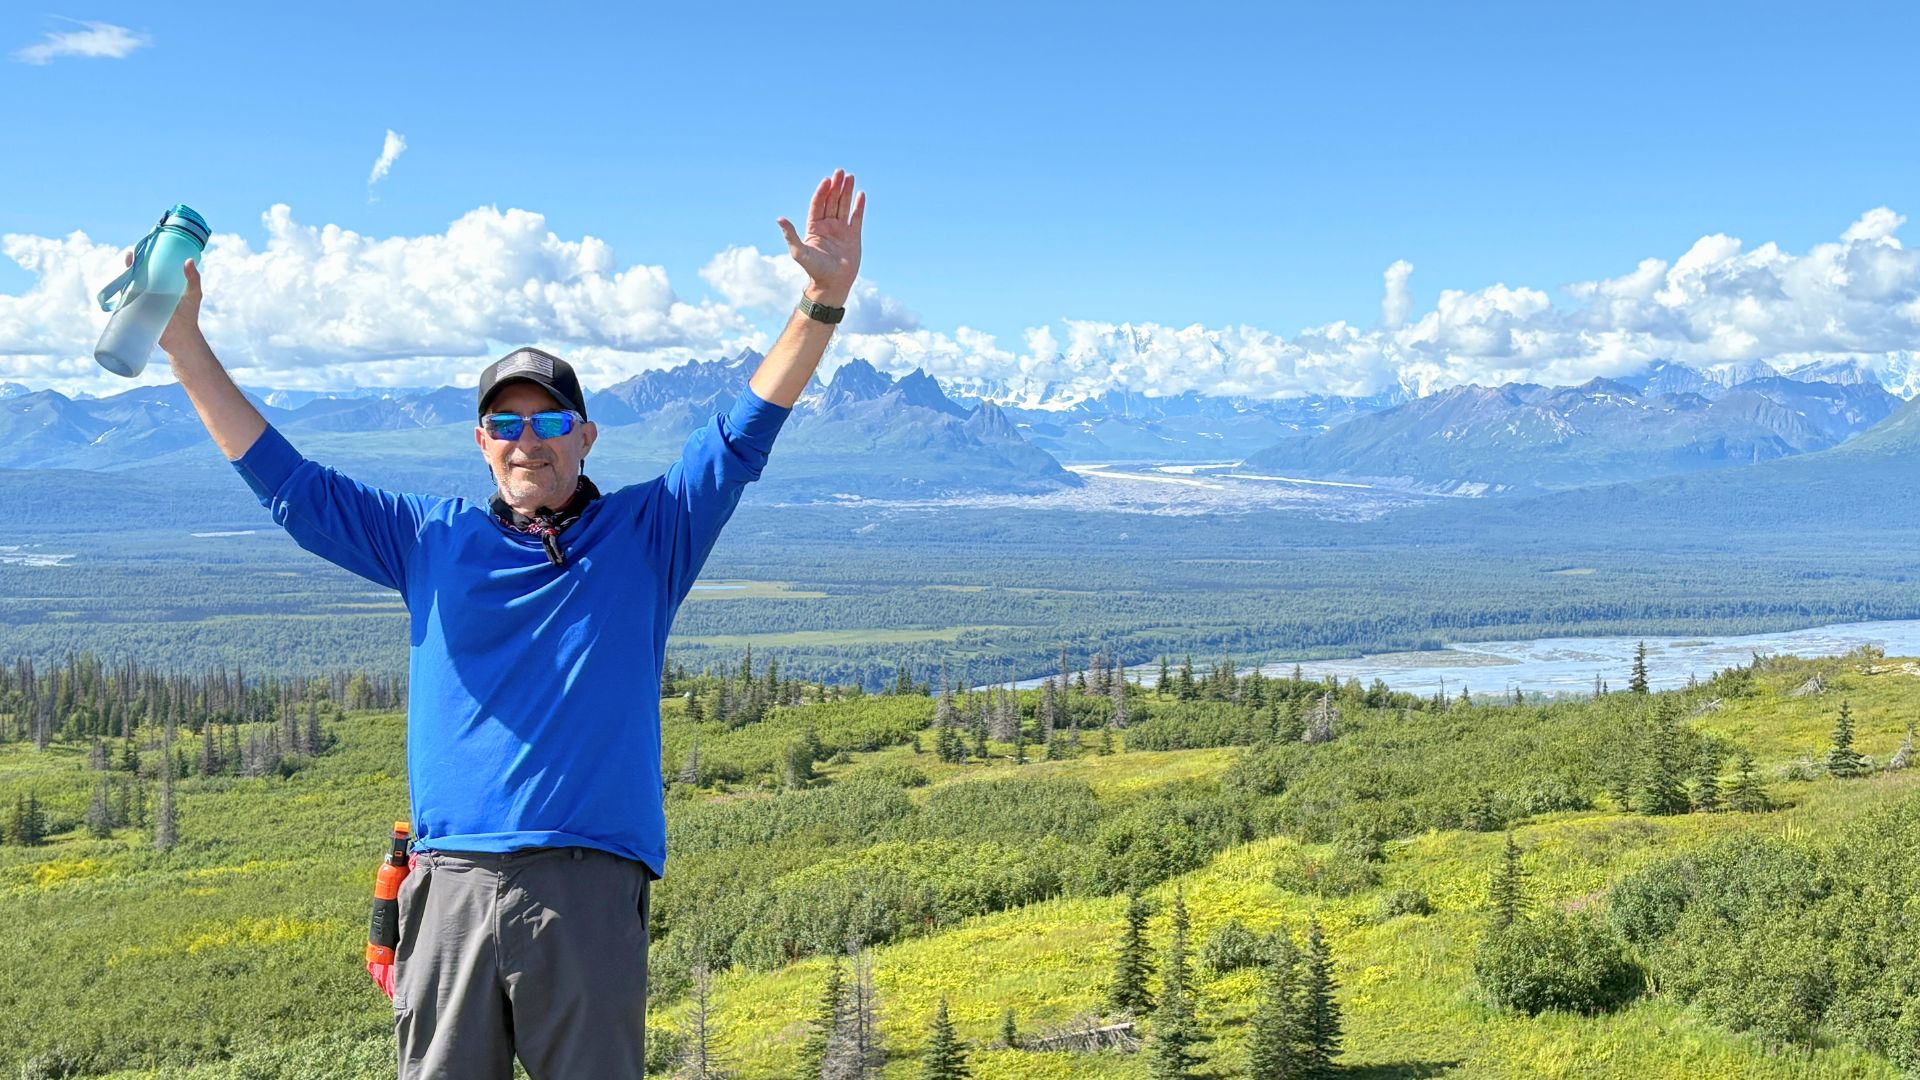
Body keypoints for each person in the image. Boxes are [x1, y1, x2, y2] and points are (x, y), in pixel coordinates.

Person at [142, 169, 866, 1078]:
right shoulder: (427, 539)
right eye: (506, 422)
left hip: (587, 884)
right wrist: (182, 341)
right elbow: (291, 487)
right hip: (447, 884)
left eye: (551, 420)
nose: (529, 439)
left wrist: (820, 304)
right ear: (482, 442)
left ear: (586, 437)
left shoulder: (651, 534)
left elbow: (744, 432)